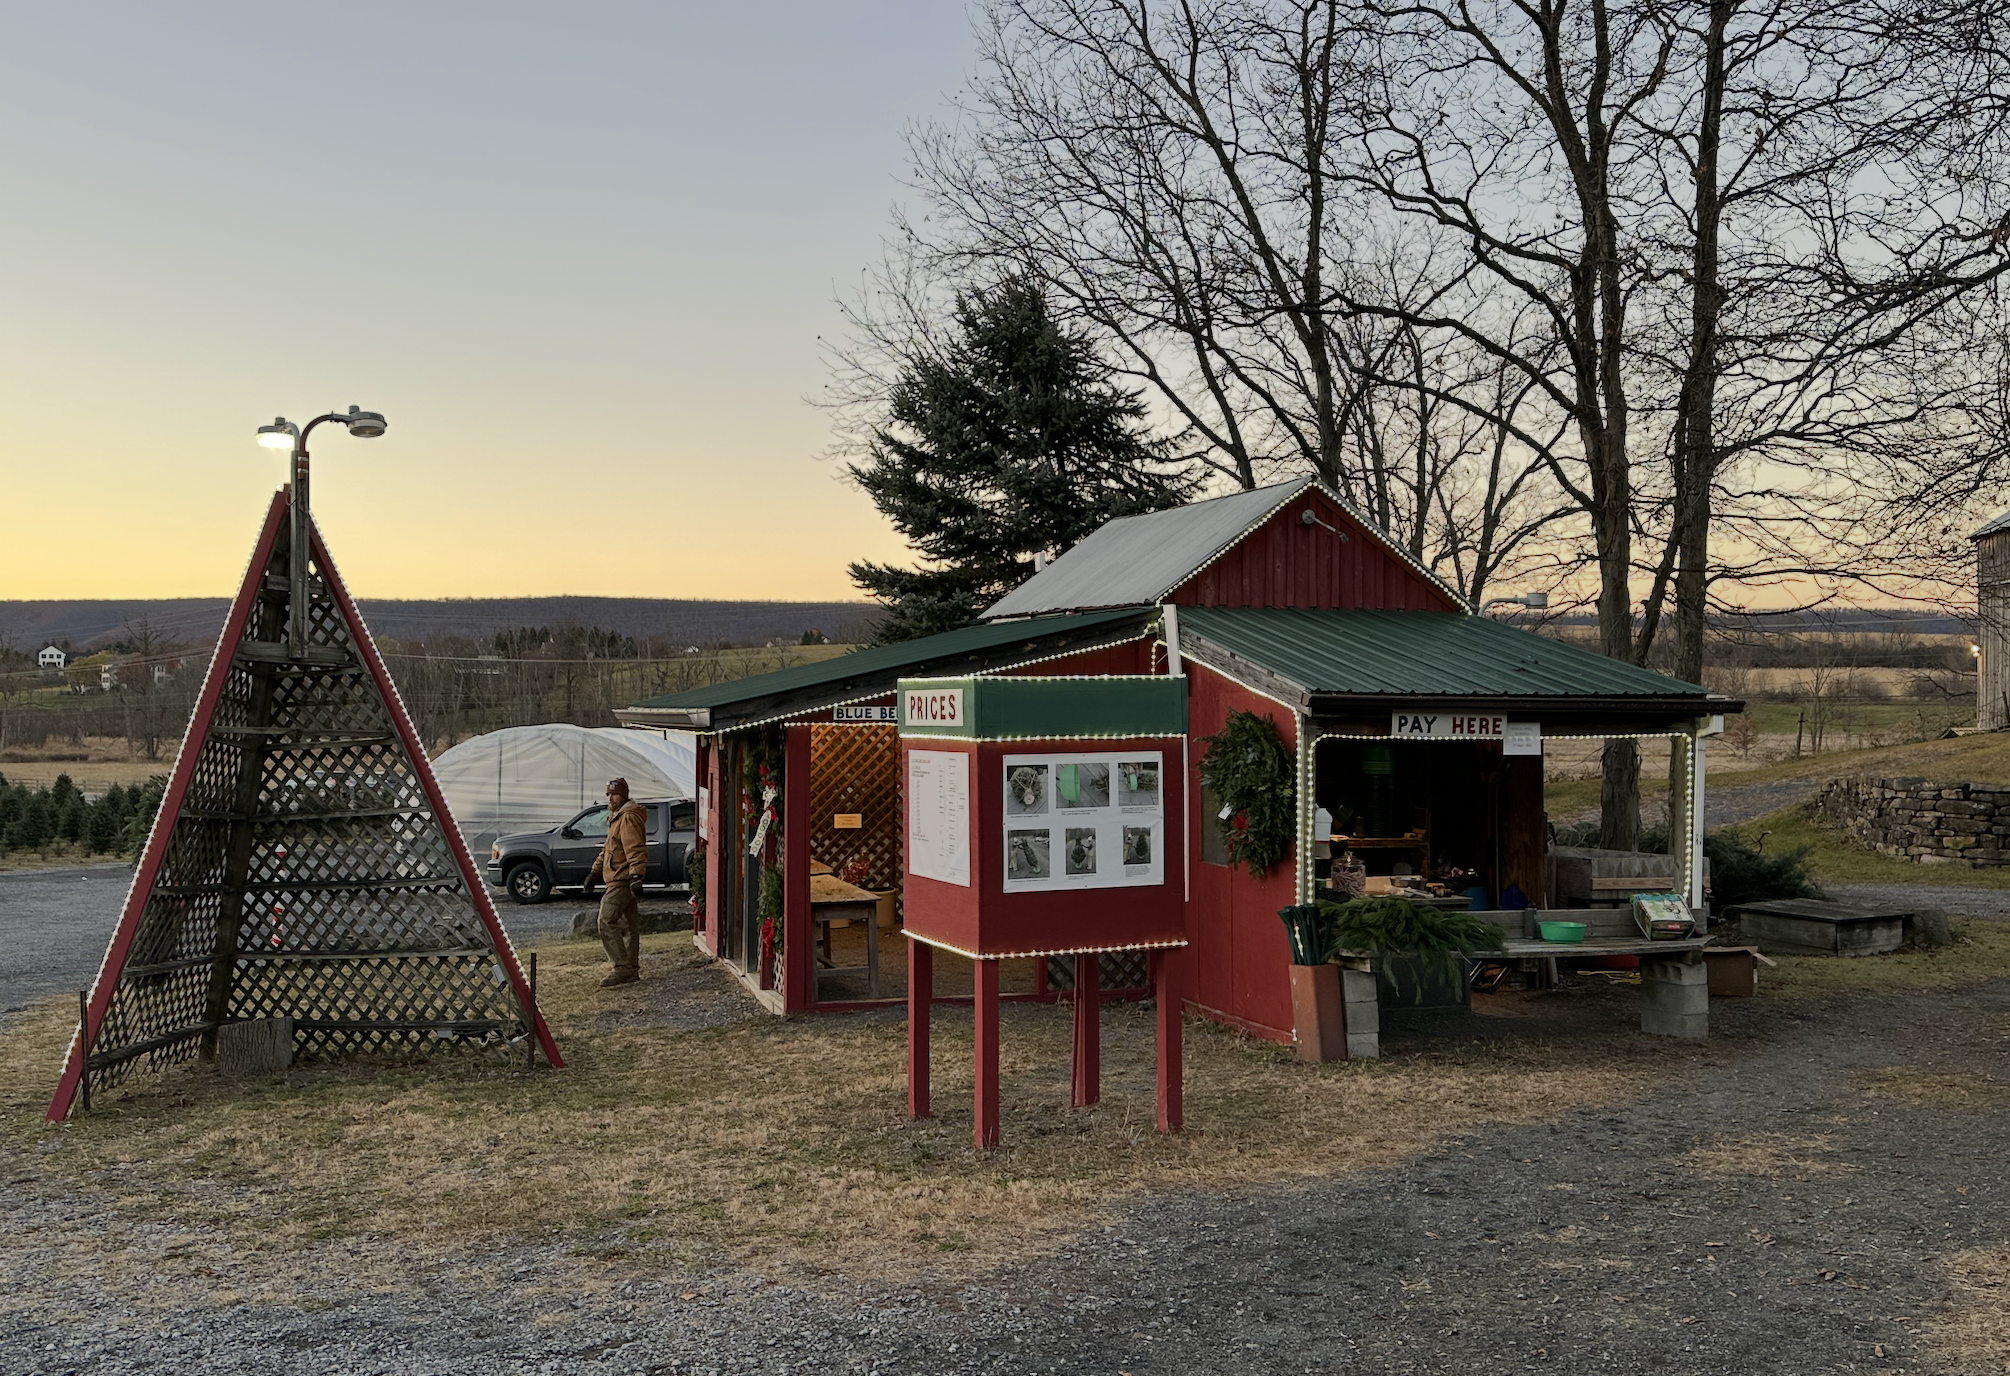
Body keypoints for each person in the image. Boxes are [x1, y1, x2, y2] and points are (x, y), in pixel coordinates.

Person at [588, 777, 647, 986]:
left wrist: (636, 875)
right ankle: (631, 969)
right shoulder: (617, 817)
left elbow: (635, 848)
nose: (610, 798)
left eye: (614, 794)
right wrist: (594, 872)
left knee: (606, 920)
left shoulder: (628, 818)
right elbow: (608, 849)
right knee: (629, 926)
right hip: (620, 878)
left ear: (624, 795)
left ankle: (621, 967)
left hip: (621, 880)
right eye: (608, 794)